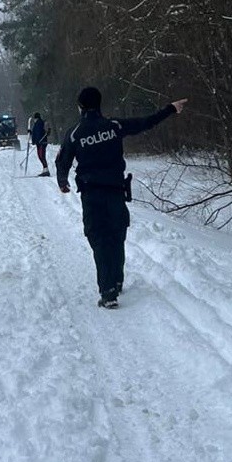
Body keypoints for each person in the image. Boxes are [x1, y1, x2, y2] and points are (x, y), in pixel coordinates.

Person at [55, 87, 187, 309]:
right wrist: (170, 109)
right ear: (99, 104)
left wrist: (62, 181)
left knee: (99, 239)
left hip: (92, 194)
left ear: (80, 107)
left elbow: (63, 160)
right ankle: (116, 280)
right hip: (116, 191)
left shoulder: (75, 133)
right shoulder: (114, 126)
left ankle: (108, 292)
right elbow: (145, 122)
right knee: (117, 236)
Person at [29, 112, 50, 176]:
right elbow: (36, 133)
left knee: (41, 156)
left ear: (36, 118)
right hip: (39, 142)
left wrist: (37, 140)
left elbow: (39, 133)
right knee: (40, 156)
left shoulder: (39, 123)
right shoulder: (37, 123)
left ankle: (46, 170)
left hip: (42, 142)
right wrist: (31, 133)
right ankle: (45, 169)